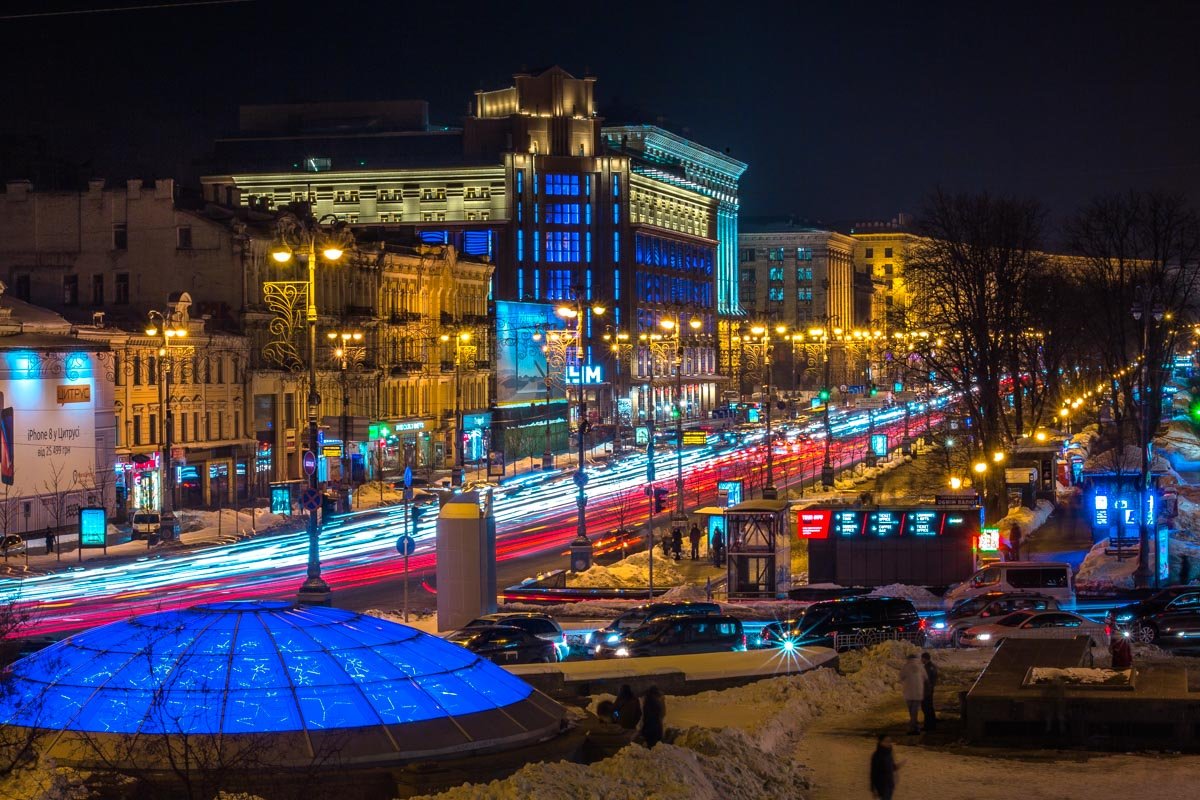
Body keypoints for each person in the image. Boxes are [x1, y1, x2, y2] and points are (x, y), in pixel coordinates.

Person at [899, 653, 928, 735]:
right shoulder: (920, 667)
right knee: (914, 712)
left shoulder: (906, 667)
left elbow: (901, 677)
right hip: (918, 693)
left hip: (908, 693)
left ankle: (913, 729)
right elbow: (925, 678)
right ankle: (914, 727)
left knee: (911, 712)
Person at [869, 733, 898, 800]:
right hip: (882, 785)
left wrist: (896, 766)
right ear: (880, 742)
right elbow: (873, 772)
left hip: (890, 784)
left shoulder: (889, 753)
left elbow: (891, 766)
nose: (888, 743)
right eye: (886, 741)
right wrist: (874, 788)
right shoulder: (877, 755)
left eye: (889, 741)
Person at [920, 652, 938, 732]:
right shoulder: (932, 666)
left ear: (925, 658)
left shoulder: (927, 668)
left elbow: (925, 680)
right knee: (929, 707)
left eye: (922, 658)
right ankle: (932, 724)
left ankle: (928, 726)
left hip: (926, 690)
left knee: (926, 708)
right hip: (929, 690)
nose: (921, 660)